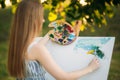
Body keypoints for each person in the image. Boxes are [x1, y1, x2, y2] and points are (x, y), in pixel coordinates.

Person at [7, 0, 99, 80]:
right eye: (41, 17)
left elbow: (35, 49)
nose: (43, 20)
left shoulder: (18, 45)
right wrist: (90, 68)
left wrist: (49, 34)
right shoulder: (38, 49)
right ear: (34, 20)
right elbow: (63, 77)